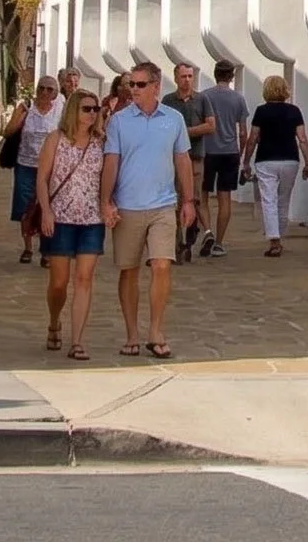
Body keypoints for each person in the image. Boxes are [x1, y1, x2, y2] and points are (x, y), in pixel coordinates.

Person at [99, 64, 195, 358]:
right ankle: (132, 333)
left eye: (140, 85)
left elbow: (183, 161)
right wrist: (106, 202)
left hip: (163, 205)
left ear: (156, 86)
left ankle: (155, 329)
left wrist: (189, 200)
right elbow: (111, 162)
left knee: (162, 265)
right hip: (128, 207)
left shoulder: (174, 119)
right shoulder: (118, 122)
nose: (134, 90)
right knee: (128, 271)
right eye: (131, 84)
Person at [35, 89, 106, 358]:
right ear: (73, 110)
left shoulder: (101, 142)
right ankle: (54, 322)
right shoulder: (56, 140)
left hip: (91, 220)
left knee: (84, 279)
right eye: (86, 108)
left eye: (95, 109)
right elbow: (42, 178)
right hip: (61, 218)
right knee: (59, 282)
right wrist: (46, 211)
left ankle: (77, 341)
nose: (91, 114)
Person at [243, 75, 308, 257]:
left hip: (266, 159)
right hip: (290, 159)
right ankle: (279, 235)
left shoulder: (261, 111)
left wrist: (245, 161)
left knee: (269, 199)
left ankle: (275, 239)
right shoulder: (294, 111)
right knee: (284, 199)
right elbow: (302, 139)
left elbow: (253, 139)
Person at [3, 76, 63, 262]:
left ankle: (46, 250)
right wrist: (19, 118)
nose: (45, 92)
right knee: (26, 207)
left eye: (50, 89)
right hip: (26, 164)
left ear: (56, 93)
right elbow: (7, 132)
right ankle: (28, 247)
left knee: (47, 208)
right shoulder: (26, 107)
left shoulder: (60, 111)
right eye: (42, 88)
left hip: (50, 167)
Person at [196, 61, 250, 256]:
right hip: (230, 152)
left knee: (202, 194)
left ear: (215, 74)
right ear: (232, 76)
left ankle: (207, 231)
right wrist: (241, 152)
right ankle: (219, 242)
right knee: (224, 197)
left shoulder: (204, 97)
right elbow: (243, 131)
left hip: (207, 151)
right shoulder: (238, 99)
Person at [164, 63, 213, 264]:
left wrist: (186, 132)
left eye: (190, 76)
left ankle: (193, 233)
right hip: (173, 158)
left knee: (193, 197)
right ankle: (177, 244)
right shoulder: (168, 101)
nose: (187, 80)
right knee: (175, 201)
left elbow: (211, 125)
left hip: (195, 157)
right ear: (176, 78)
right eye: (183, 76)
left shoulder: (202, 99)